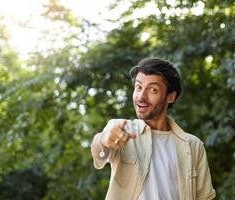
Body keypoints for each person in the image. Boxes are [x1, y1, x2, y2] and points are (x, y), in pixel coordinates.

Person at [91, 58, 216, 200]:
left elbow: (205, 197)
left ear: (170, 97)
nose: (141, 97)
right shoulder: (122, 130)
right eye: (138, 87)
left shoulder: (194, 146)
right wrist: (103, 141)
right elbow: (99, 151)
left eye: (153, 90)